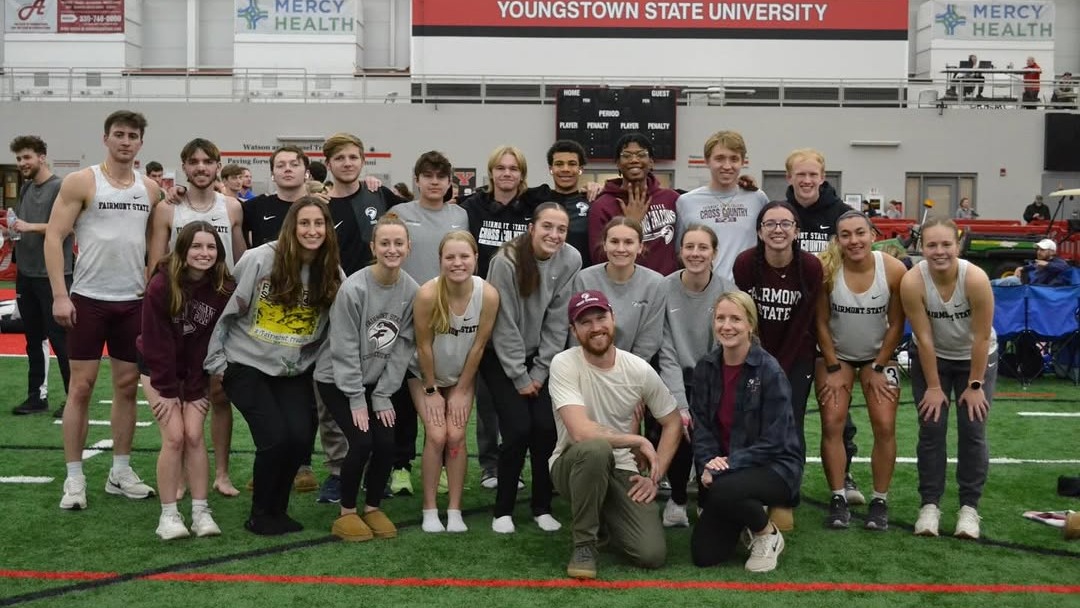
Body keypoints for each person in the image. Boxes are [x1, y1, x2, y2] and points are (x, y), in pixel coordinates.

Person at [204, 197, 344, 535]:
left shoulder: (332, 270)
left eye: (319, 223)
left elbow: (340, 322)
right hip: (245, 364)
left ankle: (277, 510)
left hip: (293, 369)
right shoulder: (259, 259)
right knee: (275, 439)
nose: (312, 230)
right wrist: (217, 364)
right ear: (292, 227)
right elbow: (225, 313)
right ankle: (259, 514)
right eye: (305, 223)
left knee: (298, 439)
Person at [46, 110, 161, 510]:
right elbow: (54, 236)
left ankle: (120, 471)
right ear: (106, 138)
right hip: (88, 299)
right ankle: (74, 478)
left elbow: (156, 242)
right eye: (119, 134)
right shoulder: (82, 181)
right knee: (80, 387)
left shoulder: (150, 189)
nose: (125, 141)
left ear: (141, 143)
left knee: (127, 387)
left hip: (132, 302)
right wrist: (61, 295)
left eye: (132, 136)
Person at [548, 289, 682, 579]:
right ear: (573, 330)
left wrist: (655, 475)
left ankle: (606, 521)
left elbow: (673, 422)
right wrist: (638, 439)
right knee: (596, 449)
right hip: (572, 463)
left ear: (613, 318)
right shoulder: (563, 363)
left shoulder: (638, 369)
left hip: (622, 468)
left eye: (601, 317)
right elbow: (581, 433)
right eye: (585, 322)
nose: (596, 327)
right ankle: (585, 544)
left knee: (651, 554)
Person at [147, 138, 246, 497]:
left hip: (221, 313)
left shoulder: (232, 206)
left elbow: (242, 260)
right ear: (184, 167)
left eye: (208, 161)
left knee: (218, 396)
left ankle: (220, 473)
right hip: (180, 316)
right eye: (193, 162)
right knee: (180, 398)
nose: (201, 167)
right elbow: (156, 264)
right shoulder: (167, 210)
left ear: (218, 165)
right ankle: (185, 474)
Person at [313, 213, 417, 541]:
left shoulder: (410, 290)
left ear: (408, 248)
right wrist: (357, 396)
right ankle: (346, 512)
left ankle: (372, 506)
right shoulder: (354, 288)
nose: (391, 249)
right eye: (384, 243)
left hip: (376, 383)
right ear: (373, 246)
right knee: (362, 441)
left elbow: (403, 346)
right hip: (336, 379)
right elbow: (343, 346)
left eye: (398, 243)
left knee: (386, 442)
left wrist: (383, 393)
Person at [481, 202, 581, 534]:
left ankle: (542, 506)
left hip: (541, 359)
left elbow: (557, 321)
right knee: (518, 429)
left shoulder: (570, 259)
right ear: (532, 228)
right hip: (502, 358)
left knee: (545, 430)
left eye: (561, 229)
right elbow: (503, 322)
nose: (554, 235)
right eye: (547, 227)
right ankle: (503, 510)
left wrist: (539, 372)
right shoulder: (505, 262)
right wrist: (519, 376)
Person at [689, 290, 803, 573]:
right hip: (725, 471)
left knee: (723, 487)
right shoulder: (706, 367)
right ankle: (744, 516)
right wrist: (707, 461)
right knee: (704, 555)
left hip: (775, 467)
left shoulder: (769, 371)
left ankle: (767, 534)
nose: (727, 326)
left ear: (750, 324)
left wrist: (725, 465)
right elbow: (701, 425)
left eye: (736, 319)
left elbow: (775, 442)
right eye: (721, 318)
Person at [900, 217, 997, 540]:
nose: (939, 251)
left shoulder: (976, 279)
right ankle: (929, 505)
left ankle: (969, 508)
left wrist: (975, 385)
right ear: (921, 247)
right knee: (931, 429)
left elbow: (982, 337)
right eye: (931, 245)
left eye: (946, 244)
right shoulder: (913, 281)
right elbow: (924, 338)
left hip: (976, 357)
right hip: (934, 358)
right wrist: (933, 387)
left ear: (957, 245)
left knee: (972, 429)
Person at [139, 222, 234, 539]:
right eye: (196, 246)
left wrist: (197, 385)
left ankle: (200, 511)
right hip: (157, 369)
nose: (204, 253)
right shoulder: (161, 284)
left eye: (210, 247)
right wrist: (167, 391)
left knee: (194, 435)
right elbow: (156, 343)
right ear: (182, 249)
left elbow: (209, 341)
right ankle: (168, 516)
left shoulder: (222, 287)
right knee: (175, 436)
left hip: (196, 370)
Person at [732, 201, 822, 530]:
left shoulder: (810, 267)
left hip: (795, 356)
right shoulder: (745, 264)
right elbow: (746, 318)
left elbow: (803, 323)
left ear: (797, 231)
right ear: (759, 231)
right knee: (750, 421)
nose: (778, 230)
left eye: (786, 223)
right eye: (770, 224)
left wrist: (778, 369)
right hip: (754, 352)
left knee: (789, 425)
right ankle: (752, 492)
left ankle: (785, 498)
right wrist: (757, 360)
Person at [815, 211, 907, 531]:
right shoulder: (828, 269)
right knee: (832, 422)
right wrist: (830, 362)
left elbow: (897, 323)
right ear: (837, 239)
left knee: (884, 424)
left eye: (860, 233)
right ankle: (838, 496)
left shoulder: (892, 269)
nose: (853, 241)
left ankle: (880, 499)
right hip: (836, 355)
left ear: (872, 234)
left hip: (878, 356)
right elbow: (821, 322)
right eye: (845, 235)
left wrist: (880, 364)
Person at [783, 149, 862, 500]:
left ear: (823, 176)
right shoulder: (780, 214)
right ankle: (788, 476)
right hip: (792, 323)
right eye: (800, 174)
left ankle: (845, 476)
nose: (806, 180)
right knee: (789, 408)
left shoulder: (842, 214)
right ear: (789, 177)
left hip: (836, 321)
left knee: (837, 410)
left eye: (812, 174)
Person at [410, 231, 499, 532]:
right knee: (437, 436)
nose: (457, 263)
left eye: (464, 256)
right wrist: (432, 389)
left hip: (461, 376)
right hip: (426, 374)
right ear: (440, 261)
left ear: (476, 258)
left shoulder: (487, 294)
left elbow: (479, 345)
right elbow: (423, 347)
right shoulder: (427, 294)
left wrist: (462, 389)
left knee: (457, 436)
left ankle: (455, 510)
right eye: (450, 257)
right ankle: (430, 508)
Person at [459, 145, 535, 490]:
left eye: (513, 168)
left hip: (522, 312)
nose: (507, 174)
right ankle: (490, 465)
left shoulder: (532, 207)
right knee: (487, 396)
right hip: (481, 309)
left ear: (522, 174)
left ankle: (513, 463)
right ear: (491, 173)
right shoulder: (471, 208)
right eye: (501, 168)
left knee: (516, 397)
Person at [658, 224, 734, 527]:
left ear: (714, 253)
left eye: (703, 247)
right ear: (680, 252)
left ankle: (706, 498)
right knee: (678, 426)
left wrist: (701, 404)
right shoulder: (663, 288)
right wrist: (680, 403)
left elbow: (725, 348)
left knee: (711, 427)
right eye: (689, 247)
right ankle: (677, 498)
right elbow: (666, 350)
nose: (695, 253)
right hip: (673, 376)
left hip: (713, 377)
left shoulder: (728, 291)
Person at [9, 135, 72, 417]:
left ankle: (74, 399)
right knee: (33, 339)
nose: (22, 163)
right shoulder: (25, 190)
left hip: (53, 275)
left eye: (27, 157)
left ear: (42, 157)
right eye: (19, 158)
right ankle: (37, 396)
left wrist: (28, 226)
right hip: (26, 273)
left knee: (62, 340)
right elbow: (22, 227)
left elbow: (67, 228)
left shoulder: (61, 187)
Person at [676, 131, 768, 278]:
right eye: (719, 159)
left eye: (734, 159)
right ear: (707, 161)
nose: (727, 166)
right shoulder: (686, 202)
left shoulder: (757, 198)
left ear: (742, 162)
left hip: (745, 293)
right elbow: (679, 253)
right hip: (705, 291)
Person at [571, 217, 665, 361]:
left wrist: (625, 371)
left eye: (628, 242)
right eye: (614, 242)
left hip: (634, 367)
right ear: (604, 245)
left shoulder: (656, 283)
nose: (621, 249)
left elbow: (650, 339)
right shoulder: (584, 279)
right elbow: (578, 332)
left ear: (640, 247)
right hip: (588, 363)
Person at [589, 133, 680, 276]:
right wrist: (631, 224)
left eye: (641, 154)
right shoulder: (602, 206)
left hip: (666, 287)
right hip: (623, 287)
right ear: (618, 163)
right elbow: (598, 259)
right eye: (626, 155)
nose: (634, 160)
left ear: (651, 162)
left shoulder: (671, 199)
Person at [525, 140, 596, 265]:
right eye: (559, 164)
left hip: (581, 278)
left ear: (581, 169)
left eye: (572, 164)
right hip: (541, 278)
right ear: (551, 169)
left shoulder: (592, 201)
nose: (565, 169)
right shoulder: (535, 198)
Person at [991, 239, 1071, 287]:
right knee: (1008, 281)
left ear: (1052, 252)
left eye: (1042, 250)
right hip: (1025, 283)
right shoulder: (1040, 261)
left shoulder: (1058, 262)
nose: (1039, 252)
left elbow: (1065, 268)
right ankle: (985, 285)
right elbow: (1033, 265)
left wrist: (1047, 265)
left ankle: (985, 285)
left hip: (1031, 288)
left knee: (1011, 281)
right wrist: (1021, 268)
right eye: (1038, 249)